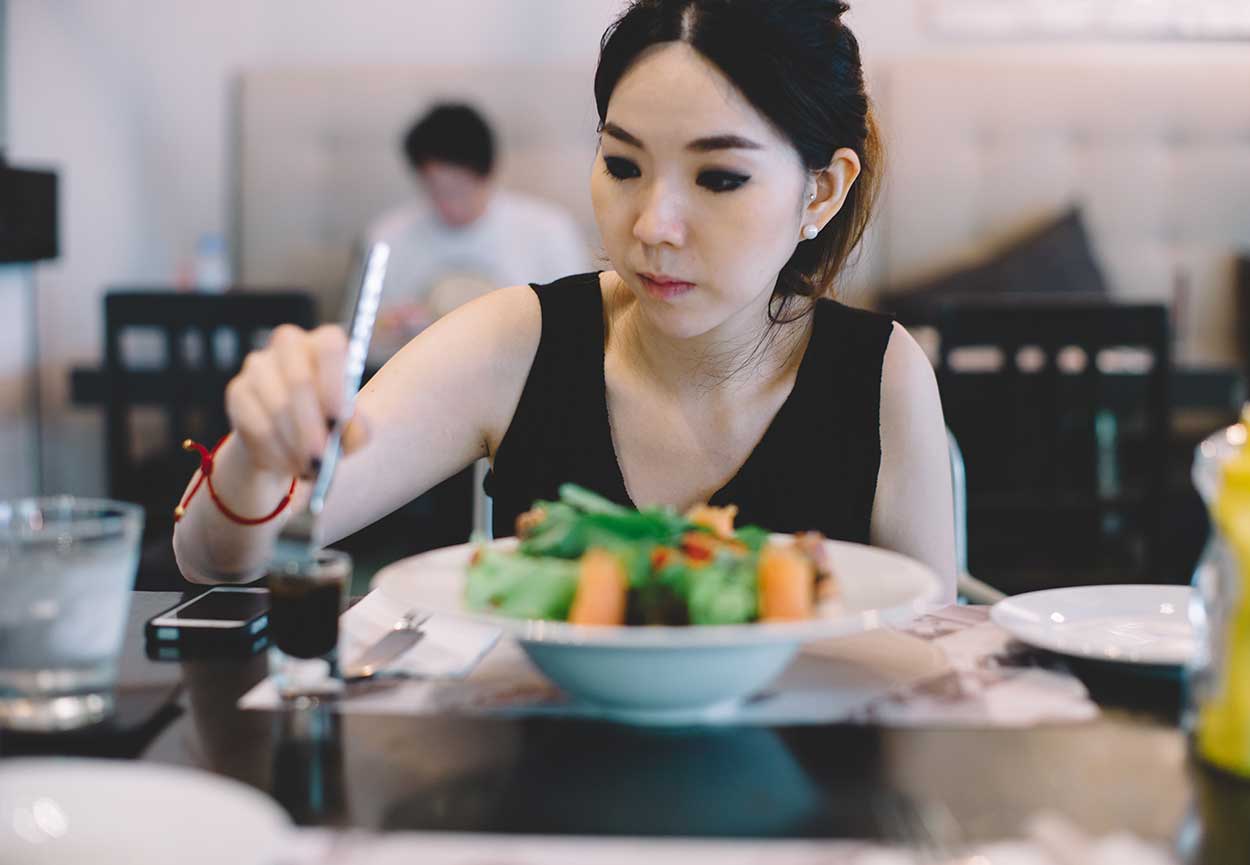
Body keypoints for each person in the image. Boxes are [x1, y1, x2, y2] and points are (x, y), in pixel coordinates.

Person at [174, 0, 957, 601]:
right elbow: (214, 562)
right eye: (622, 166)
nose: (652, 226)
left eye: (719, 178)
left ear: (820, 191)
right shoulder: (516, 340)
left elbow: (936, 660)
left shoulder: (881, 373)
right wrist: (254, 457)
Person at [367, 102, 589, 361]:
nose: (450, 205)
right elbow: (362, 344)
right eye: (436, 191)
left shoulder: (548, 232)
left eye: (460, 190)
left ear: (489, 174)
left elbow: (577, 328)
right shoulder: (388, 237)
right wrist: (389, 329)